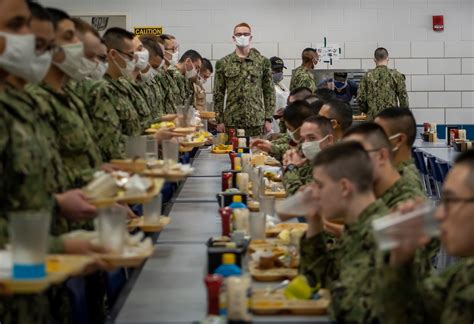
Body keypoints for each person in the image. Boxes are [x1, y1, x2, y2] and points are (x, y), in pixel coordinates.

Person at [377, 150, 474, 324]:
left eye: (450, 201)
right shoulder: (464, 273)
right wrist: (401, 261)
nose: (439, 215)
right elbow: (412, 314)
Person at [299, 141, 389, 323]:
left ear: (344, 187)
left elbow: (350, 310)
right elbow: (317, 281)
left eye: (319, 185)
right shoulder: (357, 227)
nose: (313, 193)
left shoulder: (381, 236)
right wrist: (314, 226)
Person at [27, 7, 103, 189]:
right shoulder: (34, 99)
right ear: (48, 44)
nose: (78, 44)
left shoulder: (69, 97)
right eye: (69, 37)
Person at [343, 122, 426, 209]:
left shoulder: (406, 205)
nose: (350, 164)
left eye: (357, 155)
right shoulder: (375, 193)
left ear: (381, 156)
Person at [213, 22, 275, 137]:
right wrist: (219, 120)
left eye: (246, 34)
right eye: (239, 34)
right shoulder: (223, 63)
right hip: (232, 121)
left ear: (250, 37)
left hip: (256, 121)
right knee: (232, 153)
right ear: (233, 38)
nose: (242, 37)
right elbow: (218, 93)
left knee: (257, 153)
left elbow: (269, 91)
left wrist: (268, 118)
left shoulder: (262, 62)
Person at [102, 27, 142, 136]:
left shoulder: (122, 84)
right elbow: (110, 139)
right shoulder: (102, 90)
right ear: (113, 55)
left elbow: (134, 127)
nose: (134, 60)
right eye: (130, 55)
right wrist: (153, 138)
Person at [374, 107, 424, 192]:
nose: (374, 140)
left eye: (380, 136)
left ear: (399, 140)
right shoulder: (390, 173)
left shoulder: (407, 185)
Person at [283, 116, 334, 196]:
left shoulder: (334, 165)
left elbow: (301, 199)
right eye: (303, 139)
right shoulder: (315, 160)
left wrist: (291, 167)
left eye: (312, 138)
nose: (306, 144)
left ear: (329, 140)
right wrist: (296, 165)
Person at [357, 47, 409, 120]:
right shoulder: (396, 75)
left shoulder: (366, 77)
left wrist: (368, 111)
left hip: (373, 119)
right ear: (388, 58)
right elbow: (403, 98)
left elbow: (360, 98)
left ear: (374, 59)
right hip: (391, 119)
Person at [269, 56, 289, 134]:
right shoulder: (266, 86)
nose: (280, 72)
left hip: (284, 123)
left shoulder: (281, 85)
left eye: (281, 69)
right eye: (277, 70)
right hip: (274, 124)